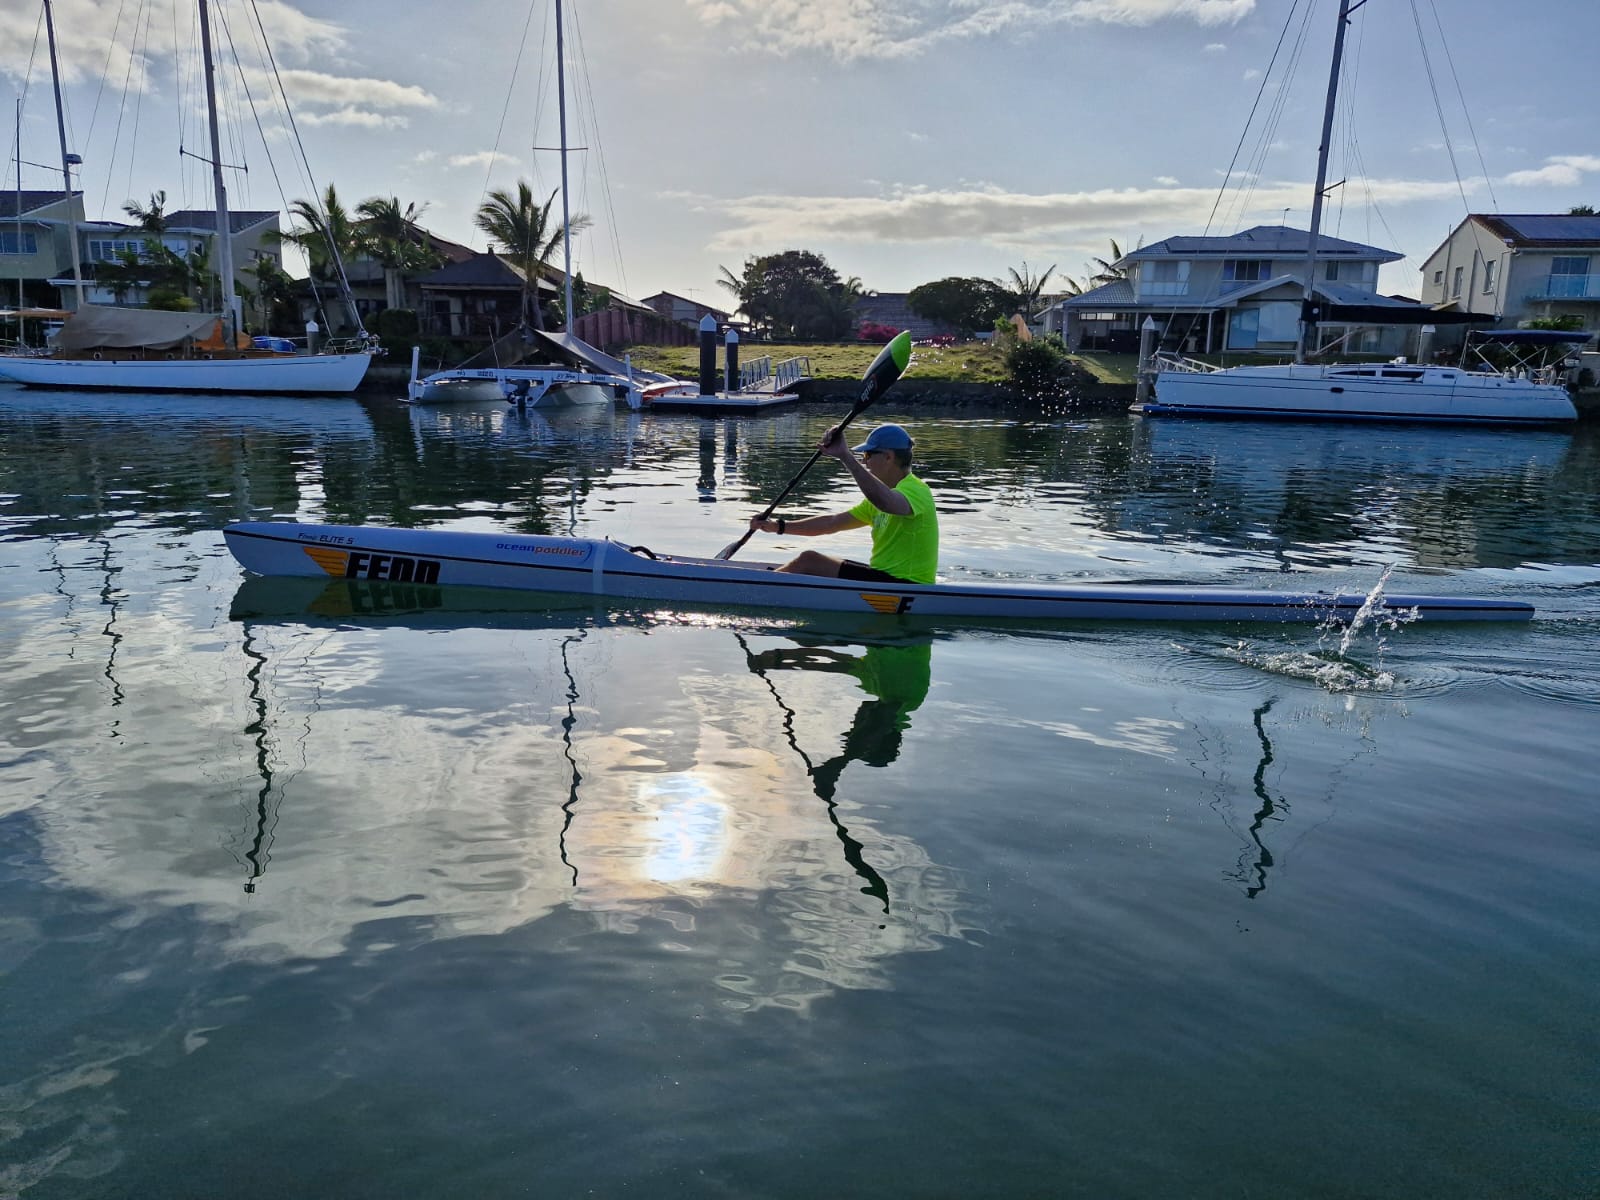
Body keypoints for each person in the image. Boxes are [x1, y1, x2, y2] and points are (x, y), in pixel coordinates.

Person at [747, 423, 938, 584]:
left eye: (868, 455)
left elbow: (888, 504)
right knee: (814, 563)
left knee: (808, 560)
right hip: (883, 578)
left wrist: (846, 456)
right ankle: (772, 584)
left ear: (889, 457)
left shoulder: (916, 490)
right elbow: (832, 523)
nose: (865, 462)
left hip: (907, 584)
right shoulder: (877, 499)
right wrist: (777, 526)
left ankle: (756, 591)